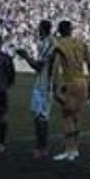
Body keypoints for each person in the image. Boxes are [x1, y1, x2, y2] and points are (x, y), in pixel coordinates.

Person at [49, 19, 90, 162]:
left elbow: (56, 66)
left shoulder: (60, 45)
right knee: (76, 116)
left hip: (70, 82)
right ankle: (75, 149)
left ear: (59, 31)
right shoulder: (81, 43)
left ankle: (69, 150)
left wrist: (54, 86)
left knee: (67, 116)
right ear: (70, 30)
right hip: (83, 81)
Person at [14, 20, 54, 158]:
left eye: (39, 28)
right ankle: (41, 147)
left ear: (43, 29)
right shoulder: (45, 43)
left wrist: (25, 56)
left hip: (44, 86)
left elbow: (38, 67)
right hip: (41, 84)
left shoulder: (49, 43)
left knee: (41, 118)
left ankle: (41, 148)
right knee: (40, 118)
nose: (38, 31)